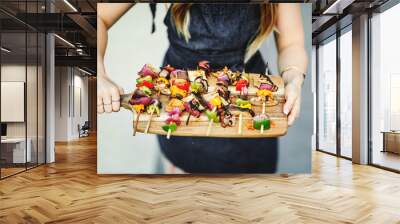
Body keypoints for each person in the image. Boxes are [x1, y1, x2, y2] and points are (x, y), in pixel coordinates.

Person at [97, 3, 307, 173]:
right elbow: (99, 17)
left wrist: (294, 77)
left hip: (250, 112)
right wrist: (98, 71)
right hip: (177, 107)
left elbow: (292, 42)